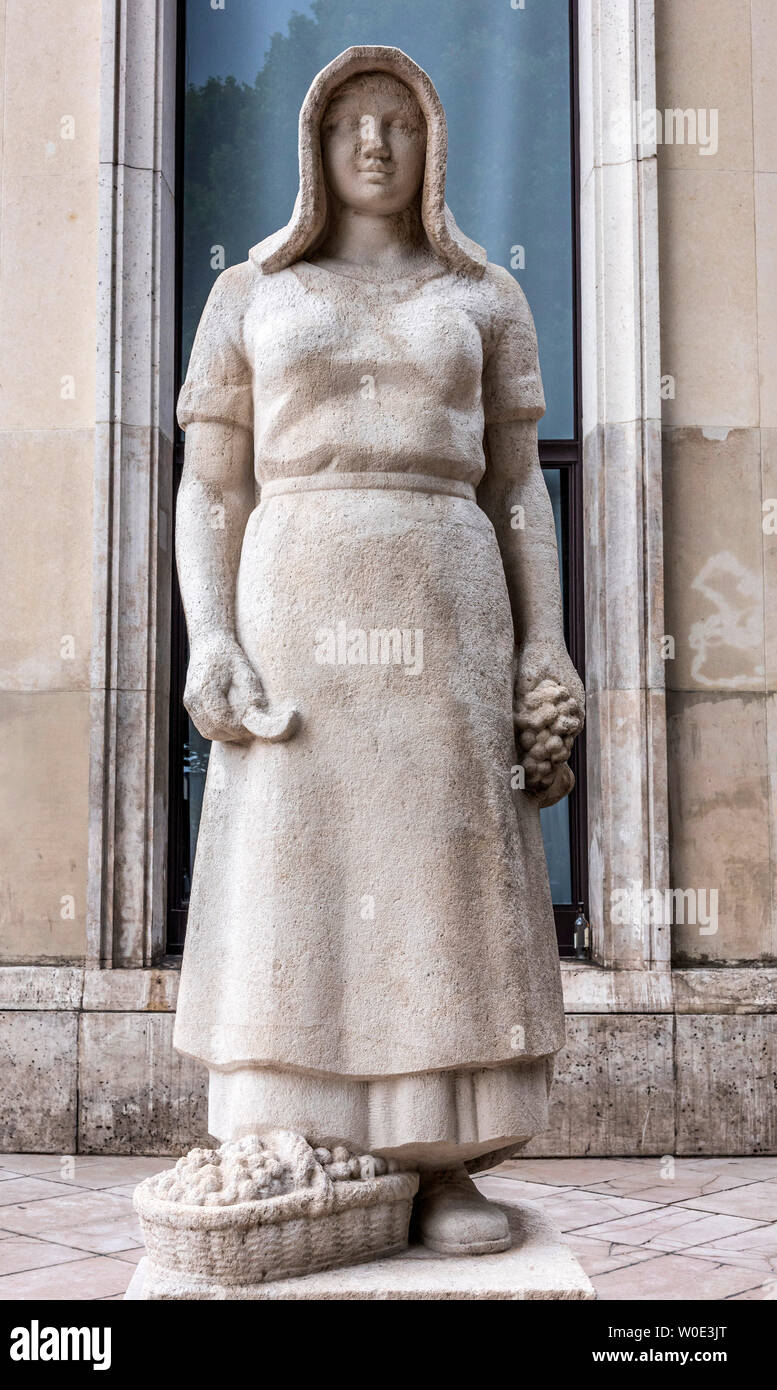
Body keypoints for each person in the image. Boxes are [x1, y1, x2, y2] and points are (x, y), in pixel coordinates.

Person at [174, 46, 584, 1256]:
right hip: (295, 600)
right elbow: (211, 483)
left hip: (448, 598)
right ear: (312, 144)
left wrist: (543, 646)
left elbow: (520, 491)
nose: (372, 142)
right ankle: (297, 1134)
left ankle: (441, 1161)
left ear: (432, 145)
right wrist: (209, 634)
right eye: (349, 121)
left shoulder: (482, 298)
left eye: (396, 122)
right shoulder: (251, 291)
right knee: (297, 862)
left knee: (438, 877)